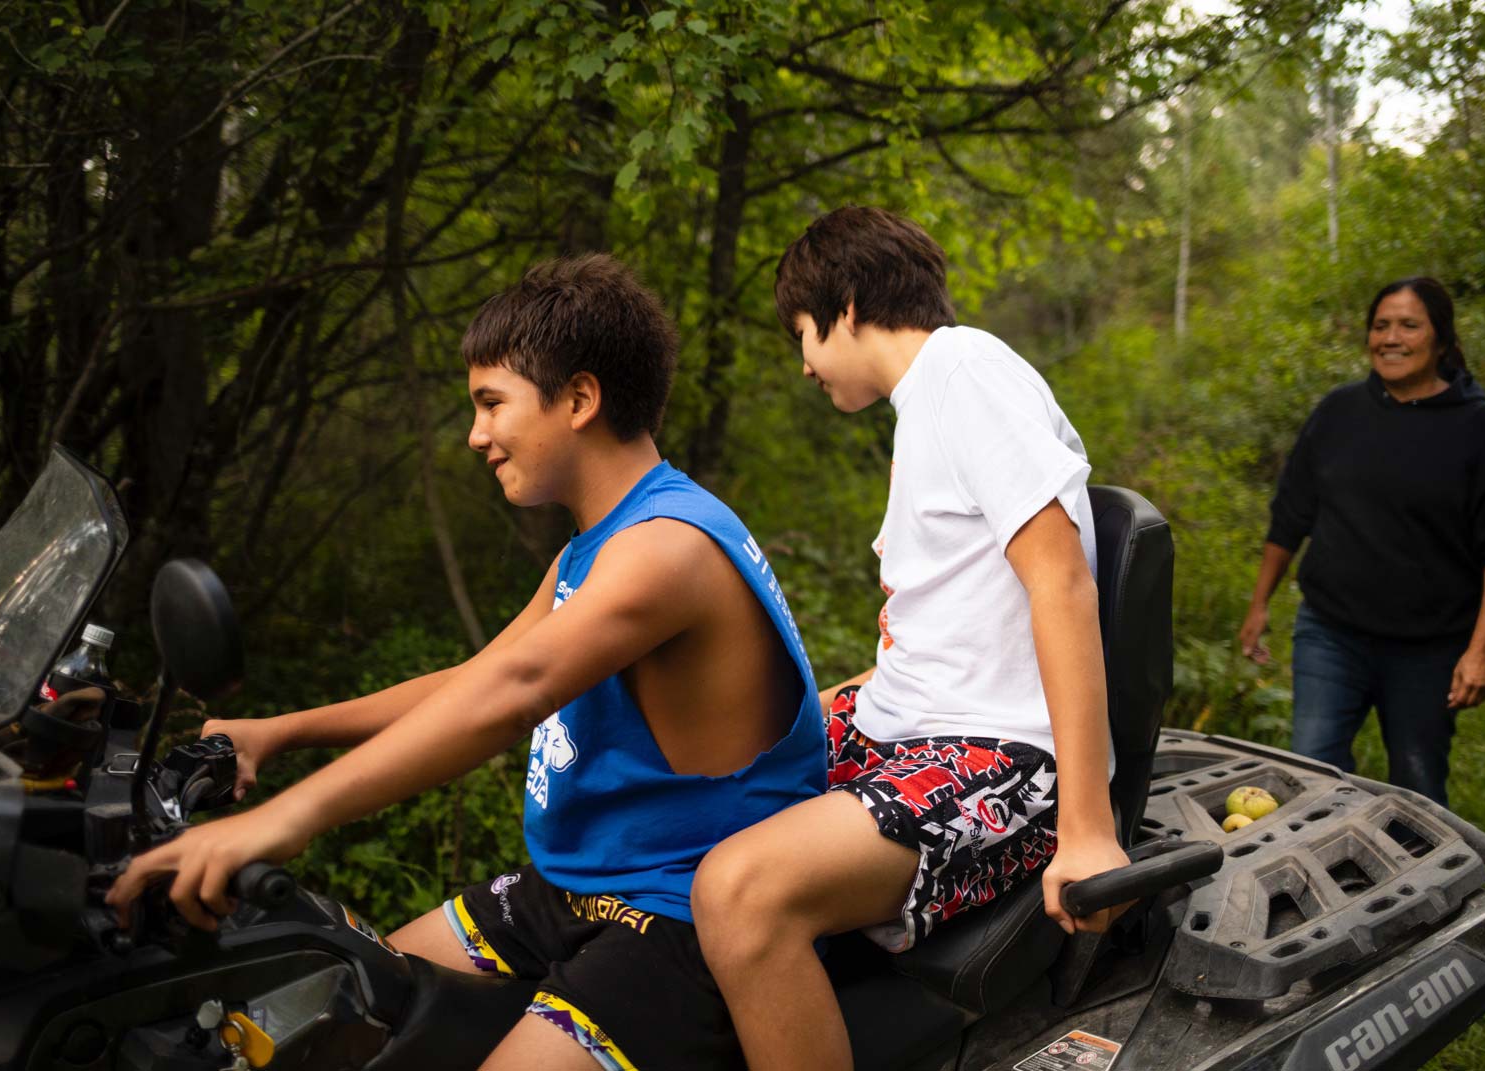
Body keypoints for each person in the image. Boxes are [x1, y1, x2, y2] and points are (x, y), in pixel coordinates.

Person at [108, 254, 828, 1071]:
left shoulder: (669, 550)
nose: (476, 435)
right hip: (569, 887)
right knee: (339, 1005)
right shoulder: (595, 550)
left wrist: (278, 820)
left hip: (667, 913)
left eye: (492, 404)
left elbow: (514, 694)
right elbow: (477, 676)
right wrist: (280, 732)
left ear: (580, 399)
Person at [689, 206, 1130, 1071]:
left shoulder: (963, 370)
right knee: (707, 775)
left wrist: (1087, 829)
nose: (804, 362)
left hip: (1004, 756)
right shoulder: (925, 402)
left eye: (803, 334)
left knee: (739, 888)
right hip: (920, 721)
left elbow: (1062, 581)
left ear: (846, 306)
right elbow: (947, 626)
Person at [1238, 276, 1485, 807]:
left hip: (1429, 647)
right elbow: (1292, 514)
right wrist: (1260, 603)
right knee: (1311, 771)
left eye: (1409, 325)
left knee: (1418, 785)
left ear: (1441, 340)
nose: (1391, 337)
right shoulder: (1339, 413)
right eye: (1381, 325)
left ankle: (1427, 886)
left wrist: (1481, 649)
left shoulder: (1478, 428)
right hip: (1330, 632)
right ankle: (1322, 883)